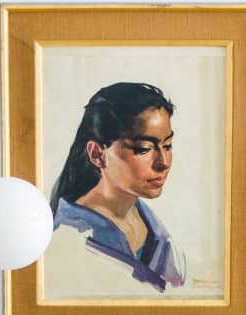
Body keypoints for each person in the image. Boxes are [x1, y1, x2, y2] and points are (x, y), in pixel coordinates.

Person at [49, 82, 185, 294]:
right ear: (97, 154)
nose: (163, 162)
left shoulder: (153, 226)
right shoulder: (67, 240)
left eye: (167, 146)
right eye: (144, 149)